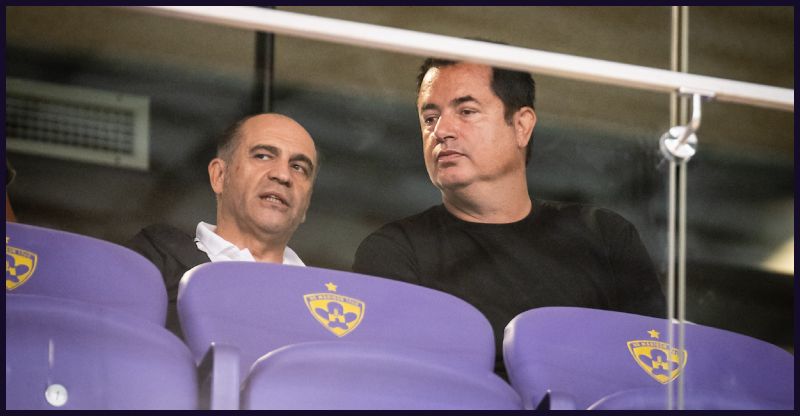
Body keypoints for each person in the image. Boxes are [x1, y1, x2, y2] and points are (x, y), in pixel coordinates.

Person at [352, 57, 666, 377]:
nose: (441, 131)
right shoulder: (395, 251)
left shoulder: (605, 236)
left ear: (521, 126)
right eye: (430, 118)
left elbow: (659, 375)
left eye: (466, 111)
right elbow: (395, 384)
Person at [128, 113, 318, 338]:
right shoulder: (157, 259)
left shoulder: (329, 301)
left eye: (298, 167)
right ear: (219, 176)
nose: (283, 175)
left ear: (306, 204)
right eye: (263, 156)